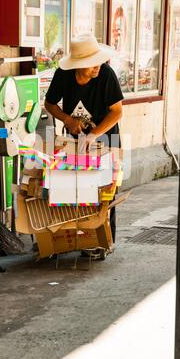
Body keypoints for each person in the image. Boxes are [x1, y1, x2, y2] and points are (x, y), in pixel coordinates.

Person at [44, 34, 123, 255]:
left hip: (107, 137)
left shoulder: (106, 75)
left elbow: (117, 112)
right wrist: (68, 120)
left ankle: (102, 241)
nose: (97, 66)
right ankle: (72, 238)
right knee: (74, 187)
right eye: (91, 64)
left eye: (98, 61)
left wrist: (94, 134)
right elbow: (49, 103)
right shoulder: (64, 75)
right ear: (78, 65)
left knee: (104, 189)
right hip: (74, 139)